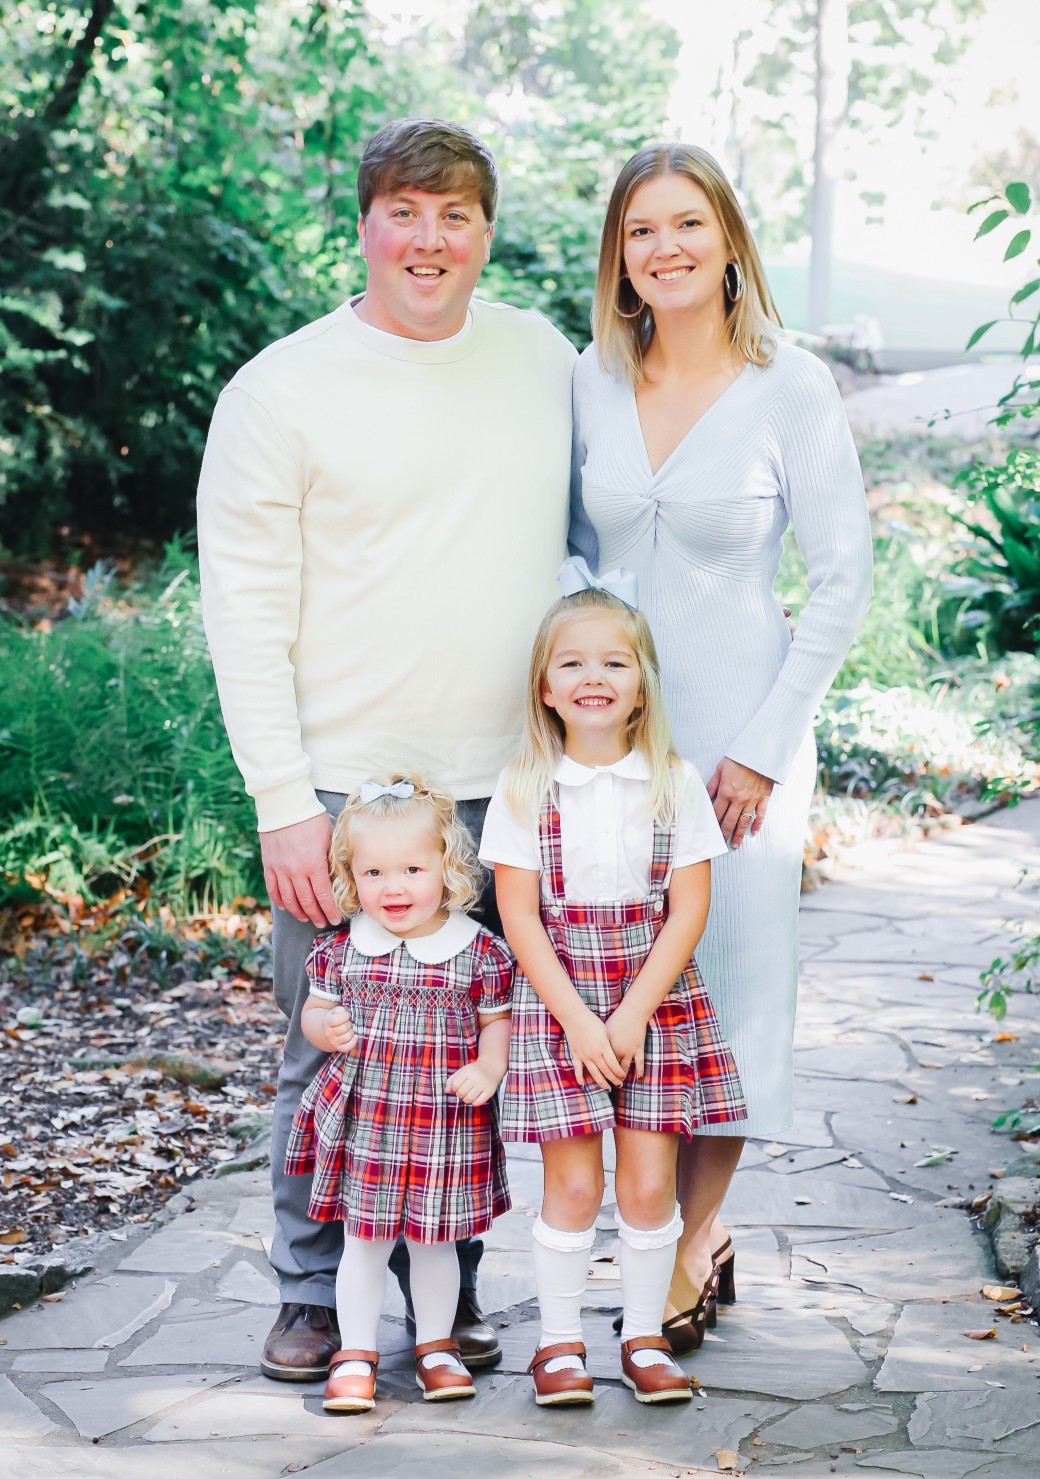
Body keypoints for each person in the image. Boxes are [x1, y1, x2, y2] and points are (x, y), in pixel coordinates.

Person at [197, 116, 576, 1382]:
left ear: (485, 231)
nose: (429, 240)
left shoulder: (539, 358)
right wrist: (280, 805)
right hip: (344, 794)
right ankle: (313, 1290)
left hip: (504, 782)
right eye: (404, 213)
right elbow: (242, 611)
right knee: (334, 1041)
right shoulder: (280, 388)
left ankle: (443, 1292)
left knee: (471, 1048)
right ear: (362, 224)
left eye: (455, 214)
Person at [570, 143, 873, 1351]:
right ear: (619, 257)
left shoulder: (786, 387)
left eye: (686, 224)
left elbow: (843, 581)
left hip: (743, 745)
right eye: (640, 231)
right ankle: (655, 1224)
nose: (665, 248)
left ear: (729, 239)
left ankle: (697, 1241)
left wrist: (757, 746)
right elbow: (566, 563)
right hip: (610, 751)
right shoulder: (590, 378)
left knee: (730, 996)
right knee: (628, 993)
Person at [479, 566, 746, 1405]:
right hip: (560, 1004)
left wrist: (629, 1015)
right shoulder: (524, 790)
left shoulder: (674, 781)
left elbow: (688, 909)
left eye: (614, 664)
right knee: (572, 1184)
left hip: (652, 1004)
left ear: (641, 687)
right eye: (572, 664)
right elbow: (520, 919)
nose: (593, 677)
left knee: (643, 1183)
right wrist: (581, 1023)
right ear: (545, 687)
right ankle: (558, 1343)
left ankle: (639, 1336)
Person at [285, 777, 513, 1413]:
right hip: (369, 1118)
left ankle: (436, 1345)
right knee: (365, 1237)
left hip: (444, 1118)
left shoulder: (477, 952)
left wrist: (490, 1068)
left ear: (449, 866)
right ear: (350, 877)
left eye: (413, 868)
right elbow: (317, 1013)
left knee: (436, 1242)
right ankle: (355, 1351)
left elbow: (497, 1021)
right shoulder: (343, 948)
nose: (395, 886)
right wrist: (321, 1028)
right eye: (375, 871)